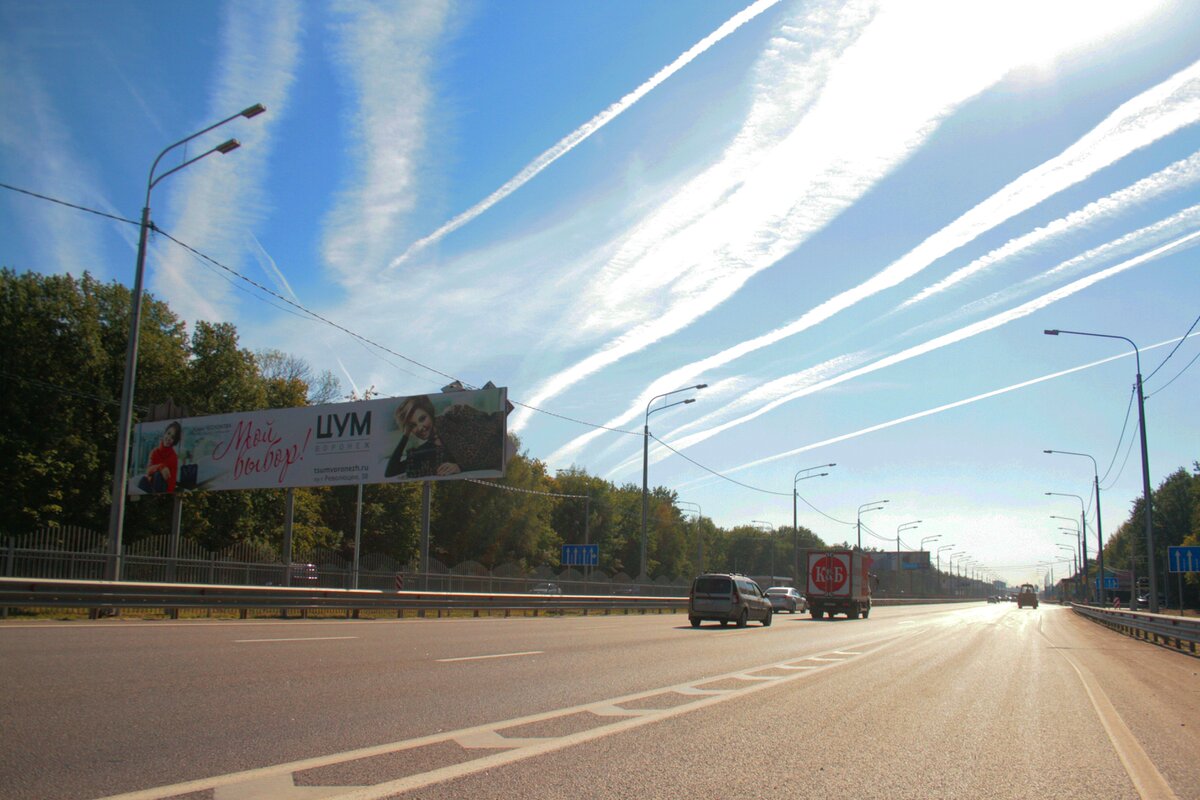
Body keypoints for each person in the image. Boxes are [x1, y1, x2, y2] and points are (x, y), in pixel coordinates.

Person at [385, 395, 503, 478]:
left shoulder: (453, 417)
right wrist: (405, 435)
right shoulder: (423, 452)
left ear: (430, 413)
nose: (420, 428)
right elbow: (391, 472)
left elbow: (490, 433)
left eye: (422, 419)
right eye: (413, 425)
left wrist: (460, 467)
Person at [138, 421, 181, 493]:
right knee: (143, 480)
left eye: (172, 437)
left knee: (158, 475)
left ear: (174, 441)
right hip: (152, 486)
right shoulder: (154, 452)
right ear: (164, 433)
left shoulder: (173, 457)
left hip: (162, 489)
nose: (169, 438)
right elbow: (148, 471)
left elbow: (172, 482)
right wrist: (160, 467)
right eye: (168, 433)